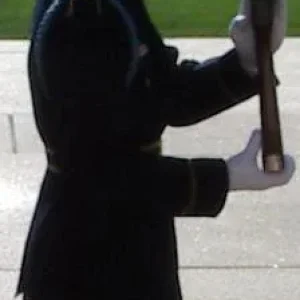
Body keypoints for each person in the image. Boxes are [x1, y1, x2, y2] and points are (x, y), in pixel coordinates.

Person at [16, 0, 295, 299]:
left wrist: (246, 61)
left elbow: (163, 94)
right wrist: (222, 177)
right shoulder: (80, 17)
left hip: (129, 245)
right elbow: (97, 175)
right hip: (89, 259)